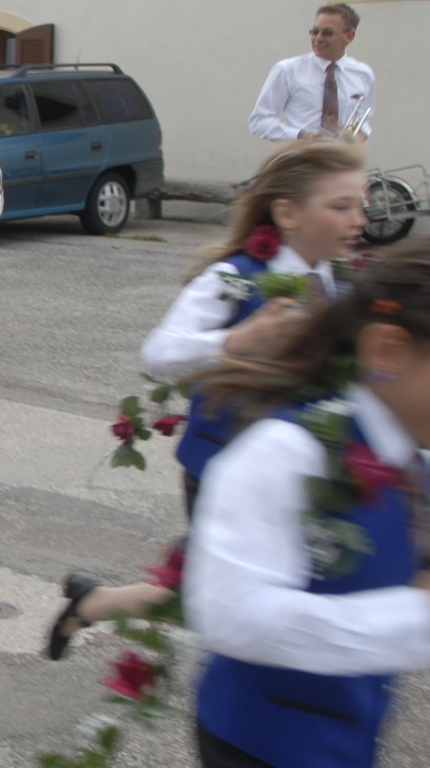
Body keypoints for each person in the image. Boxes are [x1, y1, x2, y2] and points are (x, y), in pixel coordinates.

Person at [24, 239, 430, 768]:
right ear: (388, 349)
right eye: (338, 203)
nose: (352, 219)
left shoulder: (405, 452)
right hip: (273, 748)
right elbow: (230, 611)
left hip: (342, 736)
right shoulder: (287, 451)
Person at [48, 141, 369, 656]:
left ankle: (95, 602)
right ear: (286, 212)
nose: (359, 218)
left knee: (252, 592)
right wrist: (236, 342)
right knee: (239, 599)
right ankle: (98, 606)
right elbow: (159, 353)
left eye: (362, 204)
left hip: (299, 474)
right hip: (223, 468)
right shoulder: (237, 277)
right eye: (342, 206)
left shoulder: (338, 283)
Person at [250, 4, 375, 143]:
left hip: (342, 160)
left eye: (328, 33)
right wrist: (299, 134)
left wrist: (357, 137)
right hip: (302, 159)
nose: (318, 38)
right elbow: (259, 121)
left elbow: (364, 120)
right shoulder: (287, 70)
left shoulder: (363, 74)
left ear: (349, 36)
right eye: (314, 32)